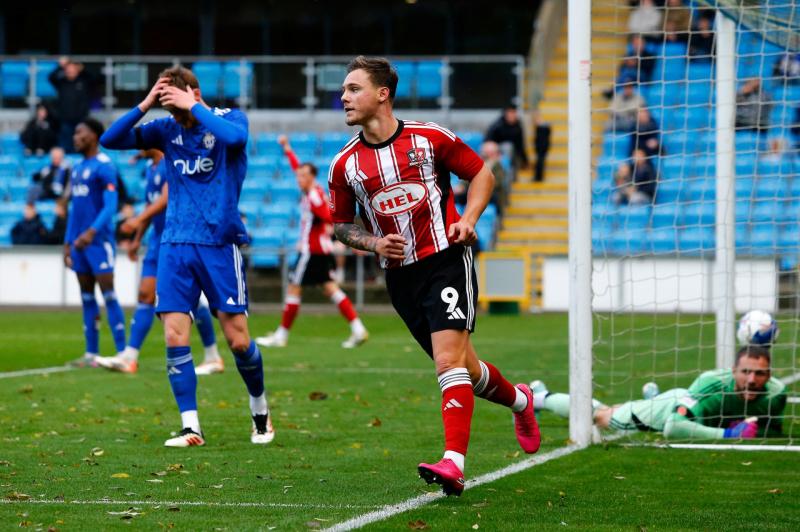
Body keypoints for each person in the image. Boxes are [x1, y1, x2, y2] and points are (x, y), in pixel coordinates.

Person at [329, 56, 540, 497]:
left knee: (447, 363)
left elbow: (480, 173)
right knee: (466, 369)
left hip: (446, 257)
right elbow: (342, 225)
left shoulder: (430, 138)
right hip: (400, 278)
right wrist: (372, 243)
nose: (343, 97)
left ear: (382, 94)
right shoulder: (344, 165)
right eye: (344, 90)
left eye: (353, 89)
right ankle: (522, 401)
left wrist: (470, 218)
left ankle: (453, 464)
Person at [99, 66, 273, 447]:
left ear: (194, 92)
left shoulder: (227, 118)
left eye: (175, 105)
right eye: (169, 108)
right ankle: (191, 426)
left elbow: (237, 138)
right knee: (174, 334)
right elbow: (109, 139)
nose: (173, 115)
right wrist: (146, 104)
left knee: (238, 341)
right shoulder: (166, 129)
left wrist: (193, 107)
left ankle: (260, 409)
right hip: (175, 244)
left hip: (218, 242)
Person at [95, 149, 223, 375]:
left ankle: (213, 356)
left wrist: (136, 221)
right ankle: (130, 357)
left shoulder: (169, 164)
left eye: (143, 142)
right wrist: (137, 238)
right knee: (145, 294)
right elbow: (150, 206)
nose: (138, 147)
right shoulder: (150, 168)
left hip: (176, 239)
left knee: (191, 301)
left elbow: (166, 198)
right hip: (157, 240)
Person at [255, 135, 368, 349]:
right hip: (321, 251)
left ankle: (281, 335)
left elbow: (330, 217)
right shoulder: (313, 190)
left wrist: (353, 240)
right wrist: (288, 149)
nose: (299, 178)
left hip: (311, 252)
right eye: (298, 176)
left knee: (294, 289)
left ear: (311, 177)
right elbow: (299, 168)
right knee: (331, 289)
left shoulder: (314, 197)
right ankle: (358, 328)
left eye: (303, 176)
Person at [531, 345, 787, 439]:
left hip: (683, 404)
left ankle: (651, 398)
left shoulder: (776, 395)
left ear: (770, 374)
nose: (752, 380)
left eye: (760, 374)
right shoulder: (711, 382)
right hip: (667, 413)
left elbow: (773, 429)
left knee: (616, 409)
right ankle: (538, 398)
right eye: (745, 372)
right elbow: (673, 428)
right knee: (602, 416)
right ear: (734, 371)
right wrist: (729, 434)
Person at [63, 118, 127, 367]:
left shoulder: (105, 166)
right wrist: (67, 242)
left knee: (109, 294)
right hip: (78, 244)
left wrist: (91, 232)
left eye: (79, 132)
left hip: (98, 242)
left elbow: (111, 206)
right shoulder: (77, 168)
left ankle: (123, 353)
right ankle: (91, 353)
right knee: (87, 297)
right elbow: (74, 210)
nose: (75, 137)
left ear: (93, 136)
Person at [49, 57, 94, 152]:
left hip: (81, 120)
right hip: (65, 120)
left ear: (77, 70)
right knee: (65, 146)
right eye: (68, 70)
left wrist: (83, 69)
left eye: (72, 69)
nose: (70, 72)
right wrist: (61, 66)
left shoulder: (83, 81)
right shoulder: (62, 83)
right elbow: (51, 77)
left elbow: (94, 78)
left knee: (80, 145)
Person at [533, 115, 551, 183]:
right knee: (540, 162)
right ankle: (538, 177)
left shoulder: (542, 128)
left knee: (540, 162)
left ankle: (539, 177)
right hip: (541, 148)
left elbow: (541, 139)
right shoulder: (541, 128)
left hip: (542, 148)